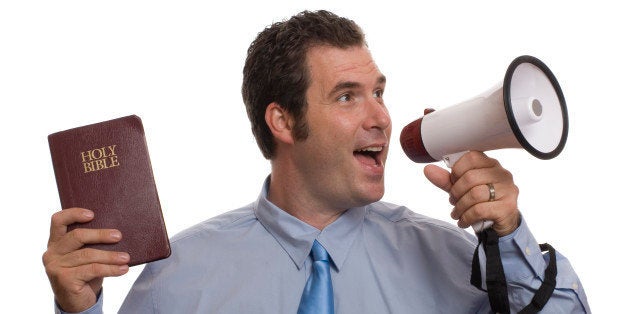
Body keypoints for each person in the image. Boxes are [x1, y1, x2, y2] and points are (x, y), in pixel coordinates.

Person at [43, 10, 590, 313]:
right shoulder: (177, 279)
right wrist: (79, 311)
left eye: (379, 91)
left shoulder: (455, 258)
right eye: (348, 96)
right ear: (282, 121)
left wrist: (510, 237)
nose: (381, 116)